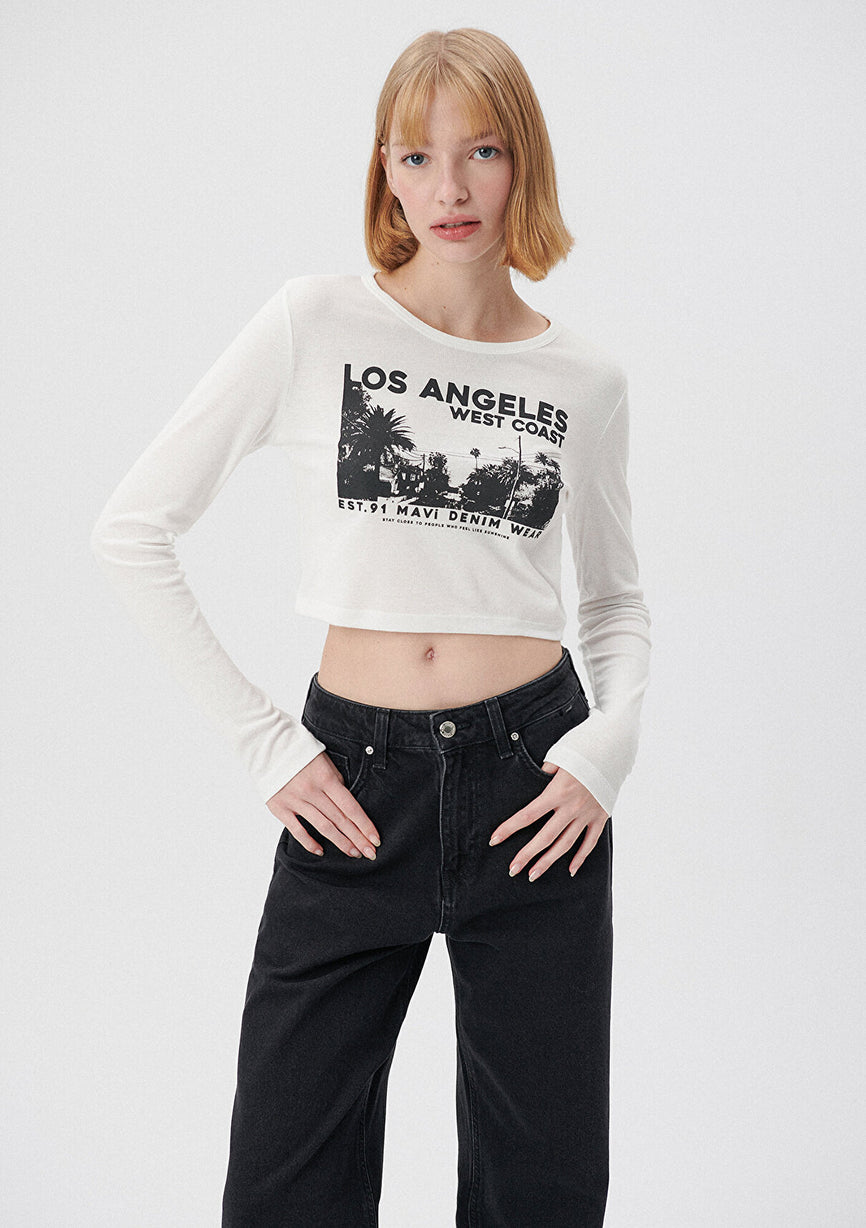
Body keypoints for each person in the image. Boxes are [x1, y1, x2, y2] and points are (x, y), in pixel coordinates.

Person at [90, 26, 651, 1228]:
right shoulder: (314, 323)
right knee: (283, 1185)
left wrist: (609, 745)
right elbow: (132, 529)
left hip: (535, 787)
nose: (448, 188)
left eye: (481, 151)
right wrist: (266, 745)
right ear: (383, 172)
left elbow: (611, 598)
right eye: (415, 156)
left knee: (541, 1188)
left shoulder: (586, 380)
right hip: (351, 782)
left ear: (523, 161)